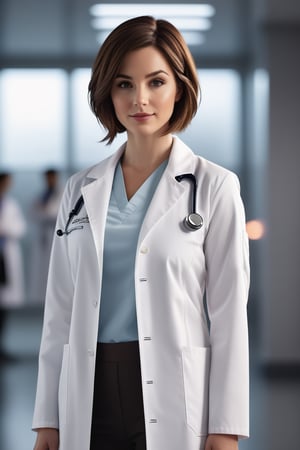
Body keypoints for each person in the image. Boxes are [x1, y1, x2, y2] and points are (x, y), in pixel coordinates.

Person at [32, 16, 250, 450]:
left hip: (174, 384)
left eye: (156, 82)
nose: (140, 99)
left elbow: (228, 314)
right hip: (87, 385)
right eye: (124, 84)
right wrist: (47, 420)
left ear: (180, 88)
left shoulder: (215, 187)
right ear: (107, 92)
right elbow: (59, 310)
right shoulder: (80, 189)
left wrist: (226, 426)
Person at [0, 172, 27, 358]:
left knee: (4, 307)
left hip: (5, 256)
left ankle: (2, 348)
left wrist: (4, 228)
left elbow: (20, 228)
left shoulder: (10, 204)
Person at [29, 169, 63, 303]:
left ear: (55, 177)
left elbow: (58, 214)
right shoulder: (41, 195)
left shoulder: (62, 193)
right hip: (43, 236)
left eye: (51, 178)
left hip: (55, 235)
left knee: (55, 270)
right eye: (47, 178)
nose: (49, 180)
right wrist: (43, 212)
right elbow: (33, 214)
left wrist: (44, 212)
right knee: (42, 273)